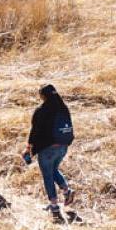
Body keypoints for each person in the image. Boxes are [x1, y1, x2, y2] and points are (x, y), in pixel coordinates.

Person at [25, 84, 76, 215]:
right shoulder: (63, 108)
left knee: (47, 175)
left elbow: (34, 131)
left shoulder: (41, 110)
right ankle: (67, 191)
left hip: (47, 149)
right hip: (63, 146)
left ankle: (54, 206)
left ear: (43, 96)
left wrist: (29, 147)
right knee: (53, 170)